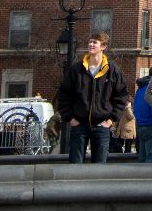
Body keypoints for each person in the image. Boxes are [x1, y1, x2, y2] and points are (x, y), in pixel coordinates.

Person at [56, 32, 131, 164]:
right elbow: (63, 95)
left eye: (95, 42)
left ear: (103, 47)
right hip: (79, 125)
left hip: (102, 126)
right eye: (90, 42)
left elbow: (122, 96)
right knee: (75, 165)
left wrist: (110, 120)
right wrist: (70, 118)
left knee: (99, 167)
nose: (91, 44)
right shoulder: (77, 69)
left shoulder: (113, 70)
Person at [131, 67, 152, 161]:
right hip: (151, 125)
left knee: (142, 155)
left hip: (140, 124)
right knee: (150, 156)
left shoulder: (140, 88)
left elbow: (136, 107)